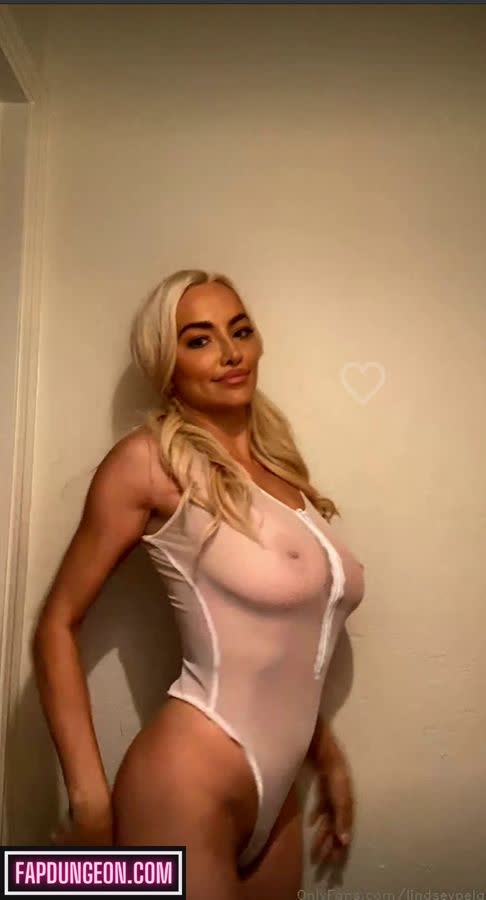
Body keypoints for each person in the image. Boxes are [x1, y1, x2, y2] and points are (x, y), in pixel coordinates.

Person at [32, 269, 366, 900]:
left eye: (240, 331)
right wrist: (89, 798)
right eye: (200, 339)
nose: (231, 352)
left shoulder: (284, 475)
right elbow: (57, 624)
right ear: (167, 364)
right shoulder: (149, 463)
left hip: (278, 800)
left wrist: (326, 754)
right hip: (184, 785)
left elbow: (285, 647)